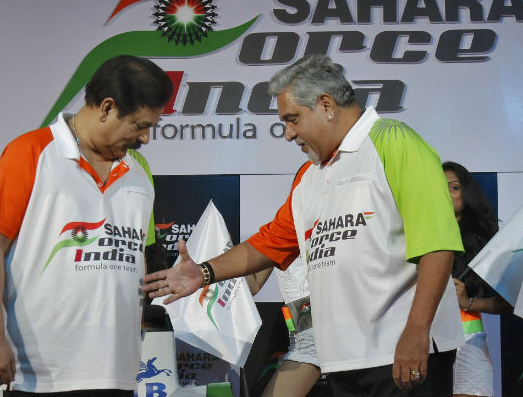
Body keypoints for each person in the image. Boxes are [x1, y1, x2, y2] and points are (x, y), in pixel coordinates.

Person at [143, 54, 465, 397]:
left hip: (400, 352)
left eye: (292, 119)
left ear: (326, 105)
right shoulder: (309, 176)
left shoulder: (394, 141)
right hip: (344, 359)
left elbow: (437, 246)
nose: (288, 133)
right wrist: (203, 272)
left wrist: (417, 330)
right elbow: (270, 243)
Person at [0, 55, 172, 396]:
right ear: (107, 108)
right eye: (139, 125)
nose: (147, 138)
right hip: (41, 374)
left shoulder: (139, 172)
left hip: (118, 373)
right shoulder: (30, 152)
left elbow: (135, 261)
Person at [442, 161, 513, 397]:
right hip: (424, 344)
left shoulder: (486, 241)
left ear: (466, 192)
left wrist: (467, 302)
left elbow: (507, 302)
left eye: (453, 187)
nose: (446, 194)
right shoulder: (413, 235)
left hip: (467, 341)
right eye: (439, 187)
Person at [247, 257, 321, 397]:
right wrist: (223, 250)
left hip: (321, 329)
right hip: (304, 330)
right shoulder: (275, 240)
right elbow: (254, 283)